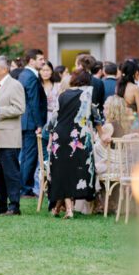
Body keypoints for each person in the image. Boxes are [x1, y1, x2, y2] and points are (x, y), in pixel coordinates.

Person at [47, 69, 104, 218]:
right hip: (79, 136)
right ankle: (70, 207)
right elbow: (96, 117)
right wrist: (102, 134)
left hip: (60, 135)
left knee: (61, 170)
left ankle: (62, 207)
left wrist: (50, 133)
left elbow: (53, 118)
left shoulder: (63, 94)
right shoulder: (88, 94)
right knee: (78, 169)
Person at [0, 56, 25, 216]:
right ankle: (0, 204)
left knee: (11, 173)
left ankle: (14, 205)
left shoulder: (15, 85)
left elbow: (19, 108)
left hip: (9, 137)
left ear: (4, 69)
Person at [19, 48, 48, 197]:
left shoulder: (24, 74)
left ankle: (23, 187)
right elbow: (34, 102)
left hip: (25, 121)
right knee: (29, 156)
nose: (43, 62)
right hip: (31, 122)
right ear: (32, 61)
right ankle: (25, 188)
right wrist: (39, 125)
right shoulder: (30, 76)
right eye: (40, 59)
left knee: (25, 156)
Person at [116, 59, 139, 134]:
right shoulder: (135, 88)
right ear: (134, 72)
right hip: (133, 121)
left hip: (120, 120)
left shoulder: (118, 86)